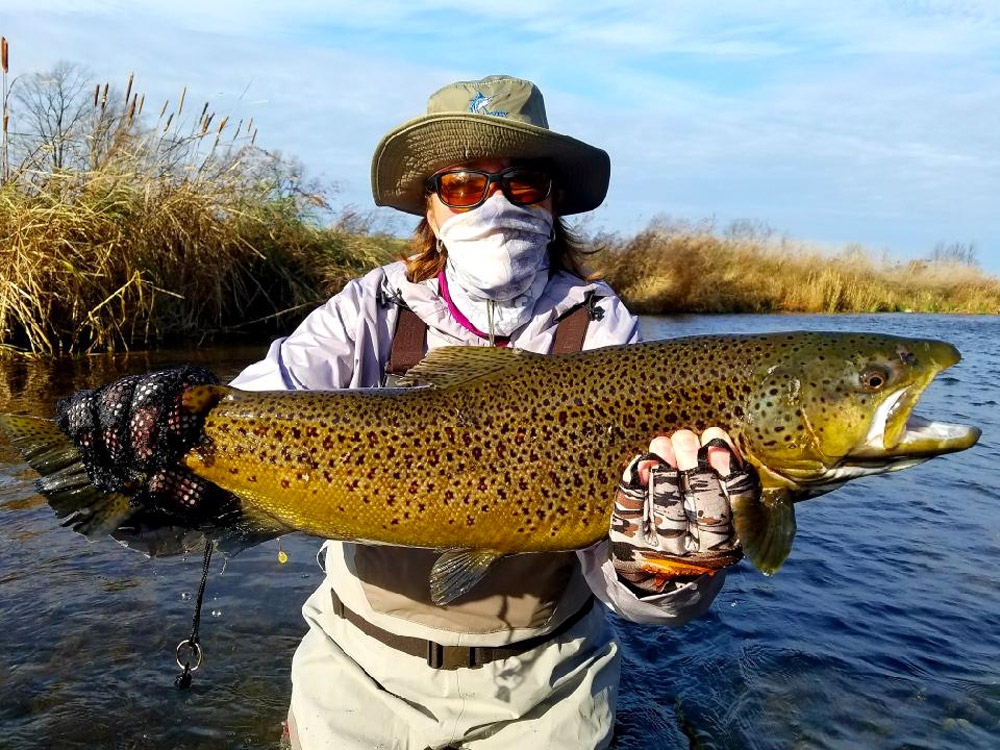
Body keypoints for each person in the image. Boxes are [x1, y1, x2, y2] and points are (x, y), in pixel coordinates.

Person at [57, 75, 758, 749]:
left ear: (553, 203)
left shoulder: (603, 333)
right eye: (462, 184)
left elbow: (630, 593)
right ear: (430, 208)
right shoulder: (371, 309)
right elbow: (262, 401)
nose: (495, 205)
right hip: (358, 674)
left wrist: (663, 570)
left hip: (545, 684)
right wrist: (161, 429)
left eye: (522, 183)